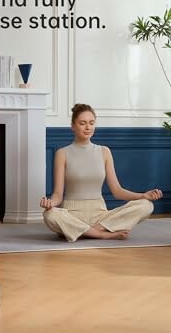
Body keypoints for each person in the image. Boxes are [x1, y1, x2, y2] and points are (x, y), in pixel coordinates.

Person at [40, 103, 163, 242]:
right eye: (82, 123)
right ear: (73, 126)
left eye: (91, 123)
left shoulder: (104, 151)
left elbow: (117, 191)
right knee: (49, 215)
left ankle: (81, 231)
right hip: (72, 214)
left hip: (100, 216)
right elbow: (58, 195)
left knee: (146, 205)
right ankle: (101, 234)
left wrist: (143, 195)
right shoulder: (62, 153)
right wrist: (50, 203)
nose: (88, 127)